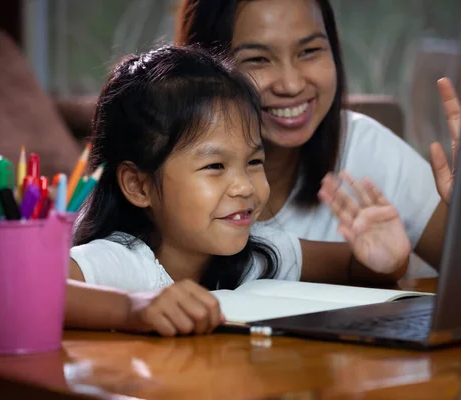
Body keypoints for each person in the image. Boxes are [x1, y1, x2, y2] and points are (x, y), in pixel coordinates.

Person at [64, 45, 411, 337]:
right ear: (138, 186)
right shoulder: (124, 261)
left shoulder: (258, 252)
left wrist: (385, 263)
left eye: (254, 162)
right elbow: (26, 293)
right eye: (215, 167)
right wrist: (132, 309)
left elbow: (351, 267)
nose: (246, 186)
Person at [175, 0, 461, 276]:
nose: (290, 85)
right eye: (258, 59)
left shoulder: (363, 145)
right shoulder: (165, 170)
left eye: (309, 51)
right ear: (201, 66)